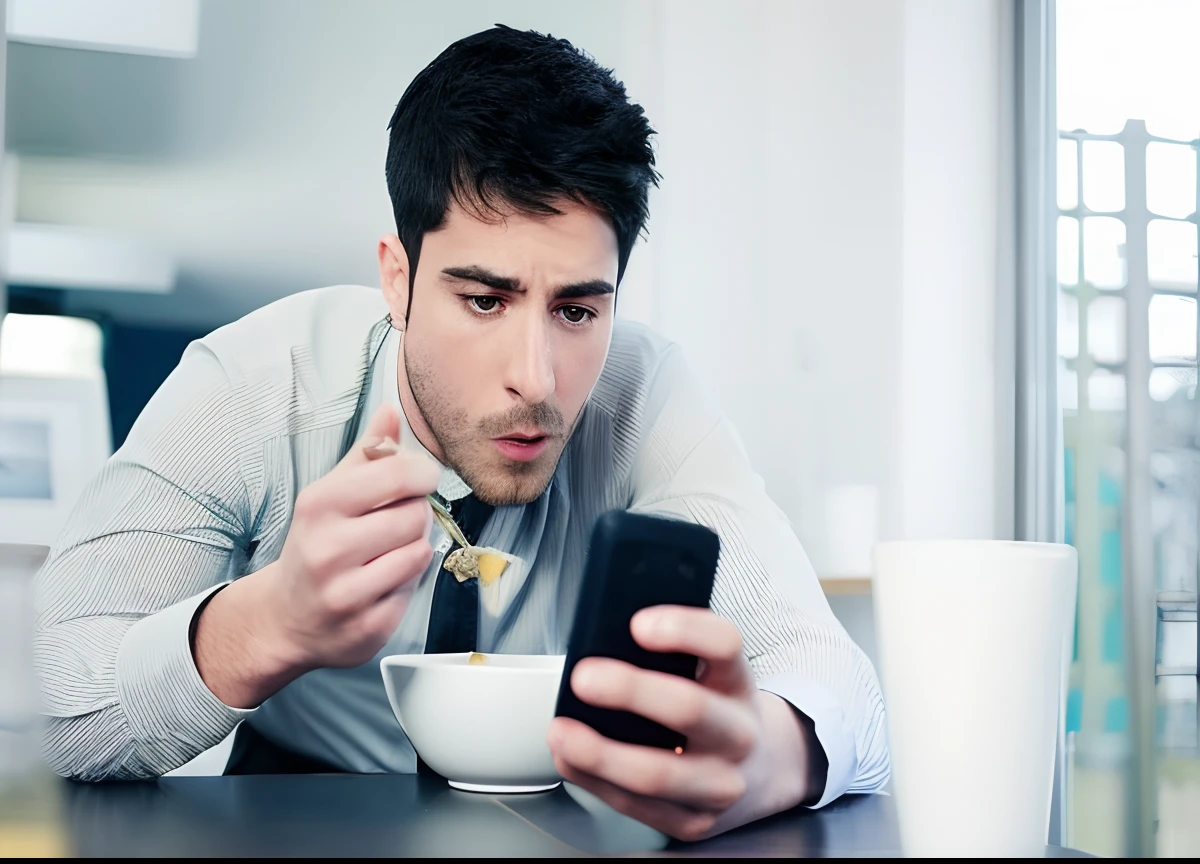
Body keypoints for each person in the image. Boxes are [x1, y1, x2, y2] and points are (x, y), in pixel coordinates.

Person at [34, 25, 888, 841]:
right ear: (397, 281)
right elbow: (55, 704)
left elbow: (836, 683)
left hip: (561, 825)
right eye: (485, 301)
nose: (538, 378)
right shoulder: (254, 387)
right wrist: (272, 624)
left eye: (578, 309)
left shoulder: (646, 396)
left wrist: (767, 758)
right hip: (298, 817)